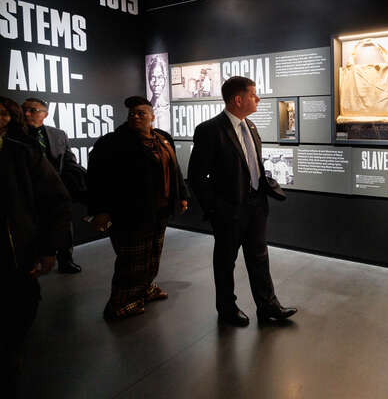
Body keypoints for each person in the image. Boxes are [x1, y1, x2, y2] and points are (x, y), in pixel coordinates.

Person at [188, 76, 296, 327]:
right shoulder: (210, 130)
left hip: (256, 206)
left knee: (259, 256)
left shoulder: (252, 127)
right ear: (238, 99)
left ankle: (267, 306)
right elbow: (196, 176)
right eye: (253, 94)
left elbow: (252, 165)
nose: (257, 98)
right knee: (226, 261)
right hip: (228, 211)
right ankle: (226, 308)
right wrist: (214, 209)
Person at [88, 96, 189, 320]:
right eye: (132, 113)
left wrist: (181, 196)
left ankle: (145, 289)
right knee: (130, 260)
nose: (135, 116)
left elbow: (175, 169)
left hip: (159, 211)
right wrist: (101, 211)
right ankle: (119, 304)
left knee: (153, 254)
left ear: (152, 117)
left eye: (141, 113)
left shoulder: (163, 139)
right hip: (129, 213)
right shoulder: (112, 143)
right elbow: (96, 179)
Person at [1, 96, 71, 397]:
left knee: (20, 307)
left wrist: (47, 248)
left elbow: (54, 200)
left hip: (18, 249)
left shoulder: (22, 153)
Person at [21, 97, 85, 274]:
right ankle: (31, 264)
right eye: (24, 109)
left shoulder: (58, 134)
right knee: (32, 229)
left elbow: (69, 160)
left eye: (32, 110)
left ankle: (66, 260)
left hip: (56, 190)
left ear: (45, 114)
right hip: (29, 192)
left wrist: (77, 180)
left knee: (64, 226)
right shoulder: (15, 135)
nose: (26, 113)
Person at [147, 55, 171, 132]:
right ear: (148, 79)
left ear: (165, 78)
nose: (156, 83)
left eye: (160, 77)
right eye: (153, 77)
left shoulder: (169, 109)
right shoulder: (145, 111)